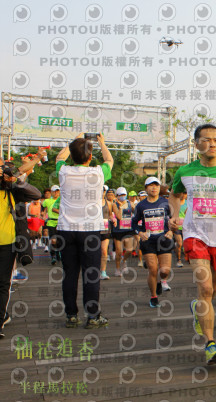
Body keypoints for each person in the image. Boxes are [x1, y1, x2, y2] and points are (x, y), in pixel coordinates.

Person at [169, 124, 216, 365]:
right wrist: (174, 215)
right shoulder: (185, 171)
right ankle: (211, 344)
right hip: (195, 234)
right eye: (206, 139)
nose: (212, 144)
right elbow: (174, 194)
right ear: (196, 144)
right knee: (204, 288)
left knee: (211, 290)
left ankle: (198, 308)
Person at [55, 133, 113, 329]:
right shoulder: (99, 172)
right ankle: (93, 316)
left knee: (69, 274)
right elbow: (109, 160)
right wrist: (101, 142)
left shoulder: (63, 171)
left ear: (72, 156)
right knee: (91, 274)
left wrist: (74, 139)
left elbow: (59, 157)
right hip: (90, 230)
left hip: (66, 230)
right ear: (90, 156)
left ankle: (71, 315)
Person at [0, 151, 45, 338]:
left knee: (3, 283)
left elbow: (36, 194)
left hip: (7, 241)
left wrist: (16, 181)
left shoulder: (11, 188)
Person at [133, 177, 174, 308]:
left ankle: (159, 282)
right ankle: (154, 296)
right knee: (153, 269)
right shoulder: (141, 205)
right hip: (148, 241)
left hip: (164, 240)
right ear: (146, 188)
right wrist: (140, 233)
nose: (154, 188)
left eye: (156, 185)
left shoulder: (166, 203)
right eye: (150, 185)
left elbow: (174, 219)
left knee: (165, 271)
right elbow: (134, 223)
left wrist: (171, 231)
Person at [112, 187, 137, 275]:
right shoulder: (115, 204)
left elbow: (137, 211)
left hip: (128, 229)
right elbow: (119, 217)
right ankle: (117, 269)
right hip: (118, 230)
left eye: (124, 195)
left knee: (129, 250)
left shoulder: (130, 203)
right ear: (117, 196)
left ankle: (124, 260)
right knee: (119, 251)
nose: (122, 196)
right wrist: (121, 207)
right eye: (120, 195)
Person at [42, 185, 61, 263]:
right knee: (53, 240)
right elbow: (44, 209)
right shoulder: (47, 201)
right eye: (54, 191)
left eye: (57, 191)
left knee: (60, 240)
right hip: (51, 222)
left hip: (60, 222)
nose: (56, 193)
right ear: (51, 192)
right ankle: (53, 255)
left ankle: (58, 252)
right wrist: (43, 215)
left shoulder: (62, 200)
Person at [174, 192, 187, 268]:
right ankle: (178, 260)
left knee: (186, 245)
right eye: (182, 193)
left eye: (185, 193)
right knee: (179, 244)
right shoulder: (175, 203)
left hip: (186, 227)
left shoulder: (189, 203)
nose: (183, 195)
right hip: (177, 227)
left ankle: (187, 257)